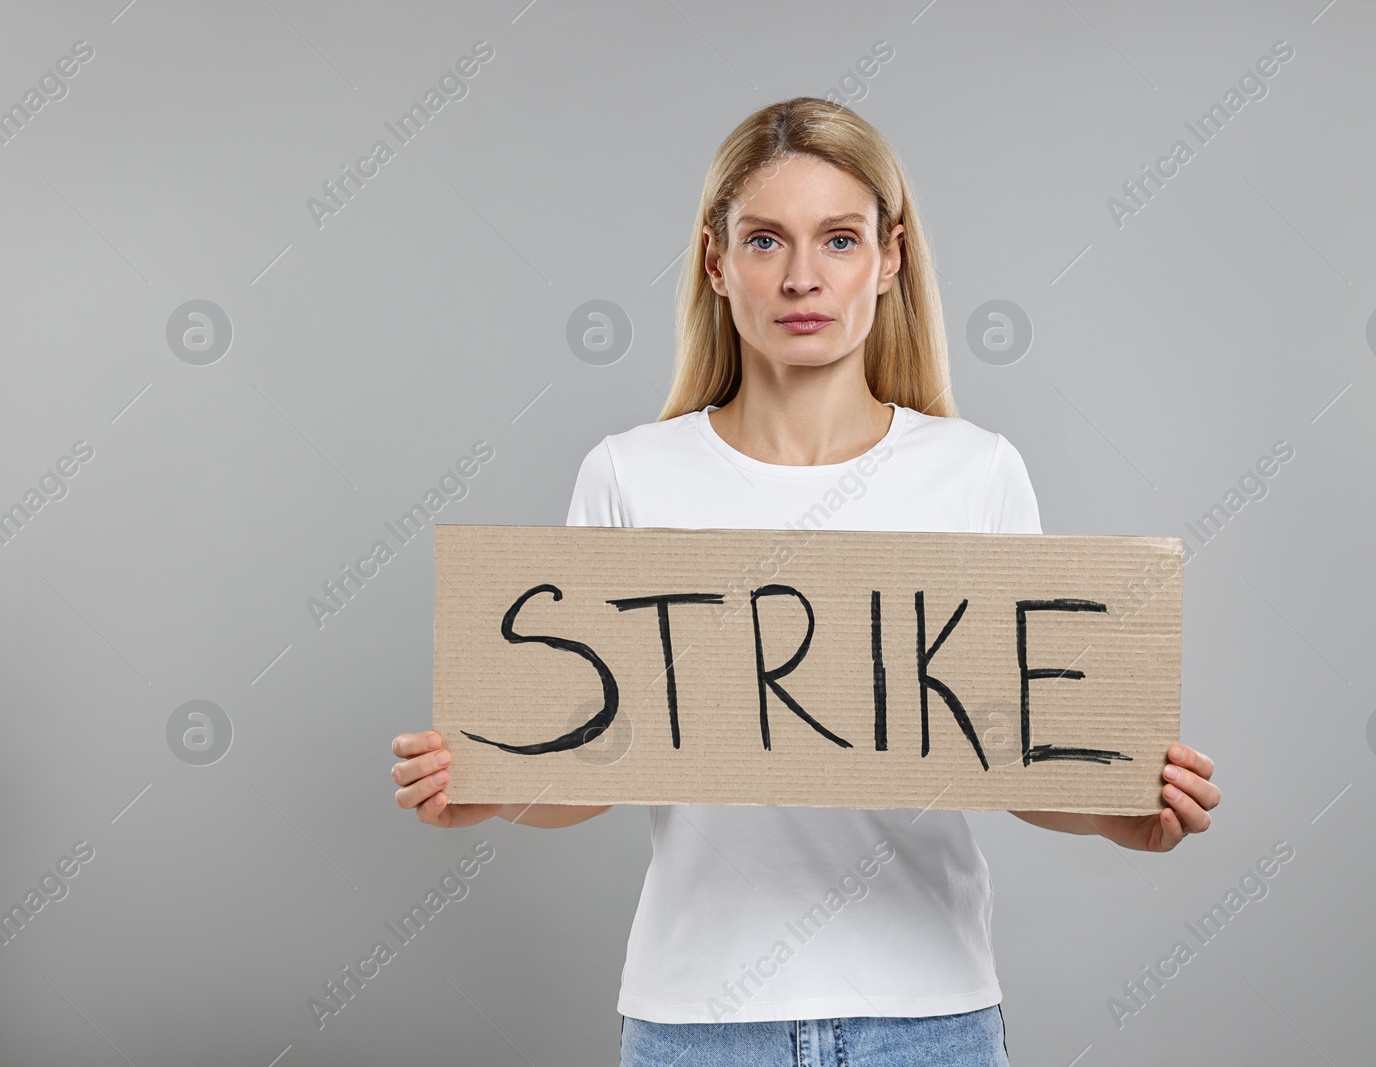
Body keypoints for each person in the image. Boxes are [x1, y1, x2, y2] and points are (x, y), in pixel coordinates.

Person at [391, 96, 1220, 1067]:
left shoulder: (975, 470)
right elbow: (595, 762)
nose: (799, 277)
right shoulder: (629, 472)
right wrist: (493, 785)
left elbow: (1011, 754)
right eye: (763, 241)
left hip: (930, 1013)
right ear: (714, 261)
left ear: (891, 255)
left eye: (836, 239)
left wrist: (1119, 808)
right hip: (695, 1016)